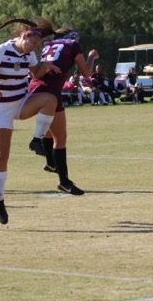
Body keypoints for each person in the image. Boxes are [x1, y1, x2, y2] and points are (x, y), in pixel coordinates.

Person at [0, 17, 60, 225]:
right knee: (1, 156)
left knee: (50, 100)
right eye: (33, 44)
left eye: (36, 46)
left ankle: (36, 139)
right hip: (0, 108)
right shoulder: (1, 50)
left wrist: (46, 66)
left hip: (20, 102)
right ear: (24, 36)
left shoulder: (30, 54)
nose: (33, 48)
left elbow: (35, 72)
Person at [28, 28, 99, 196]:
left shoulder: (47, 44)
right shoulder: (72, 44)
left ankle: (51, 163)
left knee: (50, 130)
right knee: (60, 138)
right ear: (72, 37)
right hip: (51, 92)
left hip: (34, 89)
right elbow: (86, 73)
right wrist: (92, 57)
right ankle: (64, 181)